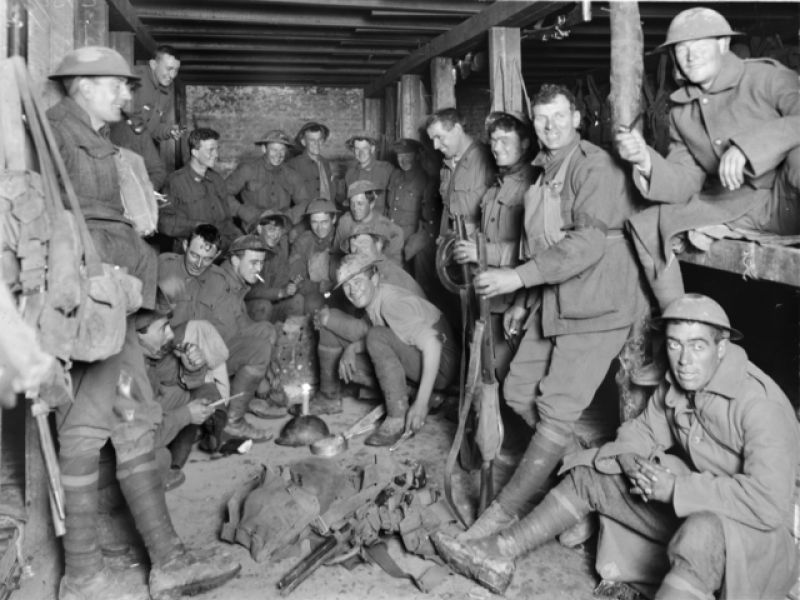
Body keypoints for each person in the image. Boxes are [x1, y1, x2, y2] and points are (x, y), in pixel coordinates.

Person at [432, 294, 800, 600]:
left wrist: (674, 487)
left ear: (722, 348)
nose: (684, 360)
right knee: (593, 472)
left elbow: (769, 503)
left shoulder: (759, 404)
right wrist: (631, 461)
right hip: (700, 504)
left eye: (698, 346)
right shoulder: (678, 381)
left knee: (702, 533)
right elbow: (639, 432)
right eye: (674, 344)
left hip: (754, 538)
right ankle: (500, 552)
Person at [47, 46, 239, 600]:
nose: (127, 96)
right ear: (84, 86)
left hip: (114, 302)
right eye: (116, 86)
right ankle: (105, 571)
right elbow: (61, 219)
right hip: (95, 299)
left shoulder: (96, 137)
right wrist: (96, 278)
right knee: (103, 425)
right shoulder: (60, 132)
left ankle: (119, 567)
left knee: (116, 421)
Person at [464, 84, 647, 539]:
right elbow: (539, 244)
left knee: (556, 409)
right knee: (518, 388)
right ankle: (584, 474)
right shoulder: (546, 171)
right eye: (542, 119)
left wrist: (517, 280)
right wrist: (525, 301)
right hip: (557, 300)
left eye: (559, 117)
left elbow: (585, 243)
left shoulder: (594, 166)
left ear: (577, 119)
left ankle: (502, 517)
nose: (550, 126)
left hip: (598, 303)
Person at [615, 7, 800, 315]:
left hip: (790, 199)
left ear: (723, 44)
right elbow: (687, 179)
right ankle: (680, 320)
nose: (689, 55)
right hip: (737, 207)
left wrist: (745, 149)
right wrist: (645, 160)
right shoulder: (680, 111)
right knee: (647, 224)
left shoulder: (766, 76)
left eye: (699, 44)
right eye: (681, 48)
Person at [311, 254, 457, 438]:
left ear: (374, 277)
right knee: (353, 333)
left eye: (357, 281)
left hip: (441, 368)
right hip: (422, 360)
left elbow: (433, 344)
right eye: (346, 285)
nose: (352, 290)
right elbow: (393, 337)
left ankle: (398, 416)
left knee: (376, 336)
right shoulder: (375, 300)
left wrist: (420, 403)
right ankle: (329, 398)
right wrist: (352, 348)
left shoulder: (392, 303)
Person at [453, 110, 535, 381]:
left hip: (516, 296)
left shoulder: (531, 186)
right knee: (488, 368)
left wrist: (482, 251)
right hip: (491, 296)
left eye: (505, 140)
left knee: (508, 374)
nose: (496, 147)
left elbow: (534, 249)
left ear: (524, 144)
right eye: (493, 141)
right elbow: (491, 231)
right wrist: (472, 238)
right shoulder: (497, 185)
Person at [188, 235, 278, 435]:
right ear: (236, 260)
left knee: (266, 330)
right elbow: (218, 341)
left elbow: (240, 322)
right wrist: (261, 359)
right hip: (204, 361)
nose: (258, 269)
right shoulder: (219, 284)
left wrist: (265, 371)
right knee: (259, 350)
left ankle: (250, 396)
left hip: (222, 342)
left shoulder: (234, 280)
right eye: (253, 263)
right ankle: (233, 421)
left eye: (261, 263)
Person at [135, 307, 221, 492]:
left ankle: (176, 462)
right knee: (159, 458)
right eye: (162, 329)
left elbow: (178, 380)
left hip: (145, 421)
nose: (170, 334)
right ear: (137, 336)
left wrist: (191, 367)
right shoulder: (126, 374)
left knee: (198, 393)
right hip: (120, 448)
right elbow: (140, 439)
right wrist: (186, 415)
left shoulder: (149, 354)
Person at [160, 128, 242, 252]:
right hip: (190, 253)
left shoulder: (217, 180)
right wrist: (197, 227)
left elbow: (227, 222)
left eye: (217, 149)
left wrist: (242, 242)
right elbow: (164, 222)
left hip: (219, 251)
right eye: (211, 150)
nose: (216, 155)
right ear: (195, 152)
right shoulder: (175, 181)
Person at [425, 107, 495, 238]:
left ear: (457, 129)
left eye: (439, 137)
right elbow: (447, 208)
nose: (435, 146)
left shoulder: (487, 159)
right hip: (451, 240)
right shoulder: (447, 163)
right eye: (432, 140)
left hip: (475, 246)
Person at [226, 129, 311, 230]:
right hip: (253, 228)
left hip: (282, 229)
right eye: (274, 150)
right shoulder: (248, 169)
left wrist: (288, 217)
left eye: (282, 150)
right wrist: (245, 213)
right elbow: (223, 194)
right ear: (264, 149)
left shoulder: (292, 175)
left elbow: (305, 202)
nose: (278, 155)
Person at [386, 138, 439, 273]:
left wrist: (412, 246)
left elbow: (428, 219)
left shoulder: (425, 179)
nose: (403, 160)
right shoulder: (395, 175)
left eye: (408, 156)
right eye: (400, 156)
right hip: (391, 235)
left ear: (416, 156)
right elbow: (390, 208)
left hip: (410, 240)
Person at [245, 209, 304, 323]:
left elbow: (284, 278)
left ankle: (289, 338)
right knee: (264, 306)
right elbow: (249, 292)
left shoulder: (278, 252)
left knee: (298, 300)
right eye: (271, 229)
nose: (276, 235)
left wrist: (294, 284)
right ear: (259, 229)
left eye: (279, 230)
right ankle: (261, 339)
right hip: (250, 309)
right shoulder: (250, 252)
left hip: (272, 305)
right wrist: (280, 292)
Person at [340, 221, 425, 298]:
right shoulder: (370, 272)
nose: (358, 251)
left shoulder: (388, 279)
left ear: (378, 245)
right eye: (353, 246)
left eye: (364, 243)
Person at [333, 180, 404, 264]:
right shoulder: (345, 222)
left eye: (360, 203)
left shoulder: (387, 228)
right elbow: (335, 255)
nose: (355, 208)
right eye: (352, 204)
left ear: (371, 204)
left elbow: (394, 266)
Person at [288, 198, 339, 315]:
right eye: (314, 222)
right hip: (316, 291)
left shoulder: (341, 238)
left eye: (324, 222)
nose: (319, 228)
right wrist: (317, 286)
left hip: (341, 291)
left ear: (334, 219)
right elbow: (296, 277)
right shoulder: (303, 241)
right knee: (312, 305)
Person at [131, 45, 183, 145]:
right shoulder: (133, 78)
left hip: (141, 145)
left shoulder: (168, 89)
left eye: (176, 70)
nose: (172, 75)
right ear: (153, 64)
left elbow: (154, 128)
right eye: (169, 68)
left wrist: (169, 131)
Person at [342, 131, 396, 214]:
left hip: (379, 223)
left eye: (364, 148)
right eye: (357, 149)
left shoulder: (386, 169)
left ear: (372, 149)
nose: (361, 153)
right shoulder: (350, 174)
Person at [287, 121, 336, 201]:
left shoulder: (325, 163)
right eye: (312, 140)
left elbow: (330, 192)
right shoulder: (293, 165)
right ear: (303, 142)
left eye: (319, 139)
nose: (316, 143)